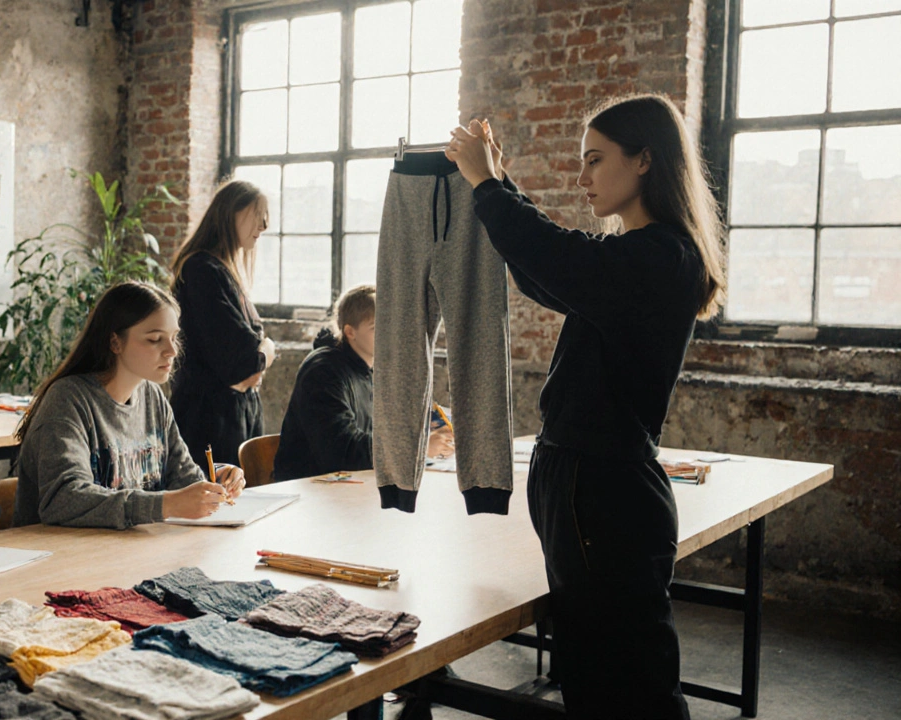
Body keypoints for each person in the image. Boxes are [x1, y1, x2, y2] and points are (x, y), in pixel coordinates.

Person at [446, 94, 726, 719]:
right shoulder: (637, 258)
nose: (583, 178)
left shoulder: (660, 256)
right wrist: (497, 183)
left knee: (624, 683)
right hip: (590, 485)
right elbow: (543, 273)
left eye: (595, 160)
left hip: (605, 491)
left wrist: (492, 184)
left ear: (646, 159)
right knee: (606, 673)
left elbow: (558, 259)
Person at [13, 281, 244, 529]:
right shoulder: (68, 399)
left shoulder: (153, 397)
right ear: (115, 343)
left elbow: (183, 481)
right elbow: (64, 499)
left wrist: (214, 481)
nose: (171, 351)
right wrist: (167, 505)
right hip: (63, 558)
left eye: (174, 338)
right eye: (155, 339)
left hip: (127, 553)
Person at [272, 285, 455, 481]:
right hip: (313, 493)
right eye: (377, 328)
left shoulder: (376, 368)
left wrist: (439, 426)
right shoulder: (323, 372)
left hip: (355, 487)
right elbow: (343, 452)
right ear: (350, 331)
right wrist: (417, 447)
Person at [168, 180, 276, 471]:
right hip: (209, 421)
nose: (265, 225)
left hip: (236, 415)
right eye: (258, 214)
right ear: (231, 213)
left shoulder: (222, 272)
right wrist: (267, 351)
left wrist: (257, 359)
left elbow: (246, 363)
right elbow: (241, 363)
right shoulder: (202, 270)